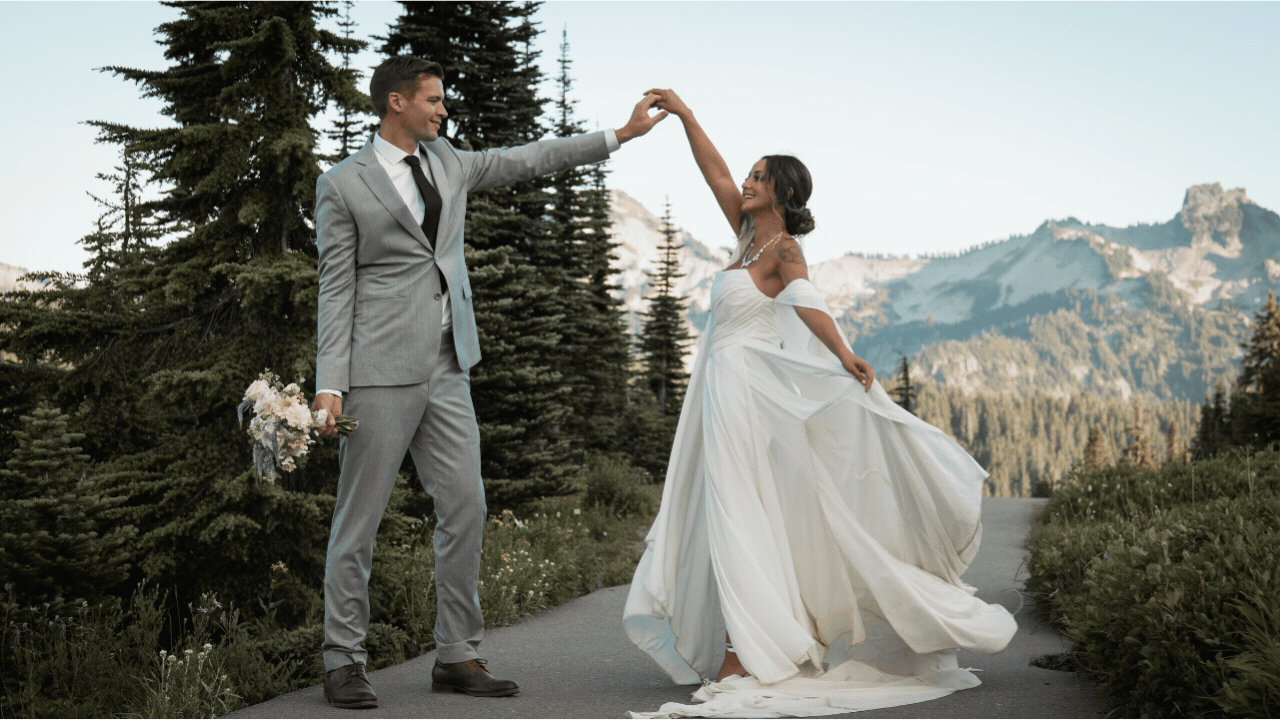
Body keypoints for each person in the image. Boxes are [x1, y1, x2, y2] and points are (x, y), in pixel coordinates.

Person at [623, 89, 1018, 717]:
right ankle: (756, 638)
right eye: (750, 175)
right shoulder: (744, 236)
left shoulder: (782, 251)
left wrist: (843, 354)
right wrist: (688, 117)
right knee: (720, 508)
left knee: (735, 510)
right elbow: (714, 172)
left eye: (759, 178)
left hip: (749, 392)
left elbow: (808, 303)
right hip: (717, 386)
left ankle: (739, 652)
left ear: (781, 193)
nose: (746, 183)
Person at [311, 56, 667, 709]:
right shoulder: (343, 185)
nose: (444, 110)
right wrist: (329, 384)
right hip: (378, 373)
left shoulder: (448, 161)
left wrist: (621, 135)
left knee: (466, 505)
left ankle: (456, 655)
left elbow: (530, 158)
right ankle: (342, 660)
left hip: (449, 367)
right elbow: (335, 292)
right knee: (358, 520)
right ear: (396, 102)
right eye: (434, 100)